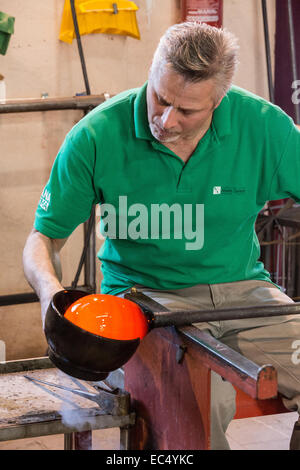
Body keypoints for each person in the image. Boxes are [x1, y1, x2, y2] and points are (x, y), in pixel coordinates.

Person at [23, 22, 300, 450]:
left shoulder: (265, 128)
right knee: (199, 411)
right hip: (145, 300)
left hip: (245, 294)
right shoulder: (96, 136)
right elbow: (43, 238)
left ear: (218, 101)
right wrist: (49, 295)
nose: (166, 120)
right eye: (160, 98)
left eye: (187, 111)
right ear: (153, 74)